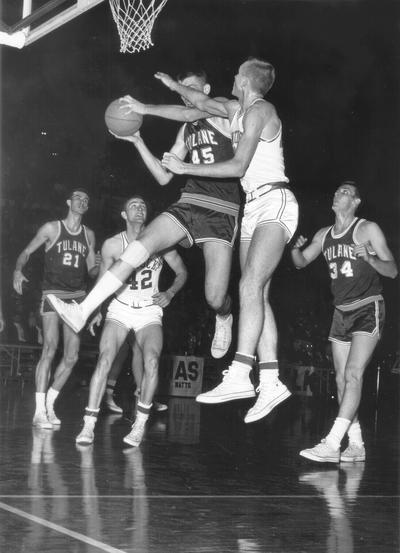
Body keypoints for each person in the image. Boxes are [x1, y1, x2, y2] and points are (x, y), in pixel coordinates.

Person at [47, 69, 241, 360]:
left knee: (214, 297)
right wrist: (138, 141)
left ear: (207, 89)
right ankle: (82, 310)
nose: (184, 93)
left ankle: (224, 316)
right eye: (181, 89)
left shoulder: (224, 111)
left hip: (222, 209)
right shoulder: (186, 130)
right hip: (190, 201)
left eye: (191, 88)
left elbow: (190, 111)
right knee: (142, 243)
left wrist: (144, 108)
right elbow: (164, 177)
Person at [153, 58, 299, 423]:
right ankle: (270, 381)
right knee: (257, 294)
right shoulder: (236, 109)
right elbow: (199, 103)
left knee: (249, 285)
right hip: (253, 206)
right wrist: (174, 86)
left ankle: (239, 372)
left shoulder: (261, 111)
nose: (231, 76)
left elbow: (237, 166)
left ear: (246, 81)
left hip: (275, 201)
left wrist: (185, 168)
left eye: (237, 74)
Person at [291, 181, 397, 462]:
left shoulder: (367, 229)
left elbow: (393, 270)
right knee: (341, 380)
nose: (338, 194)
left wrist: (372, 259)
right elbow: (301, 262)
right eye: (337, 191)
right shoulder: (324, 234)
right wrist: (295, 249)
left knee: (353, 374)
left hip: (367, 306)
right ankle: (357, 444)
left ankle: (332, 443)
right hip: (341, 312)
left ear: (357, 202)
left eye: (346, 192)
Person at [76, 195, 187, 447]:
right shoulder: (113, 245)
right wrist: (96, 310)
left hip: (149, 310)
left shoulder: (160, 242)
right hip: (120, 308)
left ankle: (139, 425)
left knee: (152, 361)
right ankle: (89, 424)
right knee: (104, 359)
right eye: (133, 206)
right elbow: (103, 280)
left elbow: (182, 271)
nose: (139, 208)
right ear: (124, 215)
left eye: (143, 205)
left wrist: (170, 292)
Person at [13, 188, 99, 429]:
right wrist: (17, 269)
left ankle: (50, 404)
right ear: (68, 202)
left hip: (77, 298)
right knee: (49, 348)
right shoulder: (52, 228)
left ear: (87, 206)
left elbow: (91, 271)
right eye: (78, 198)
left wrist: (97, 266)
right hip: (52, 294)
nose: (82, 201)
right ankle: (39, 411)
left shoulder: (89, 235)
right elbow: (26, 252)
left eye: (86, 199)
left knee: (71, 357)